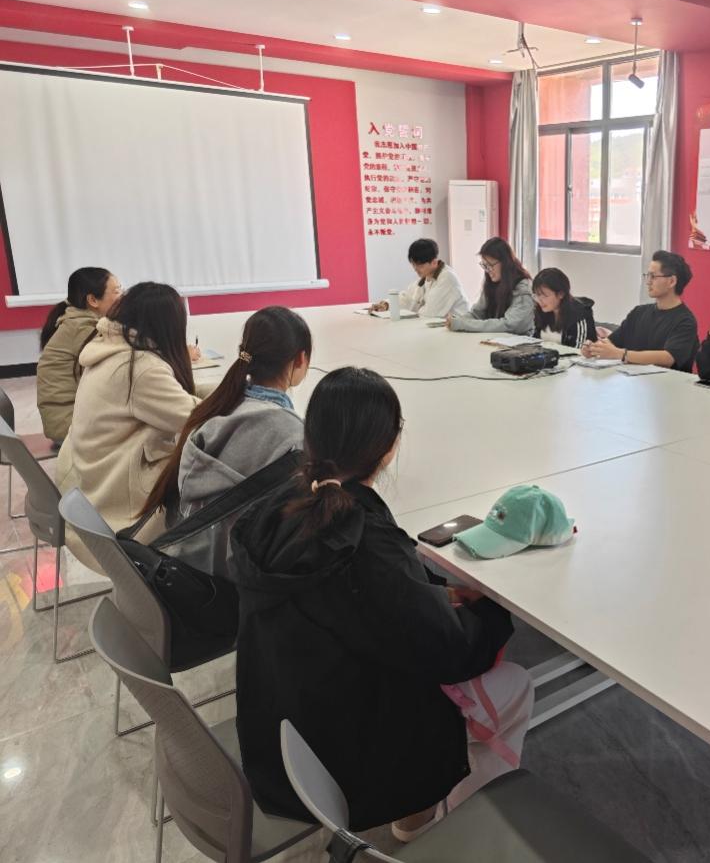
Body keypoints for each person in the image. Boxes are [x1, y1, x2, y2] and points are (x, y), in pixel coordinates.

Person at [231, 367, 533, 839]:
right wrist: (493, 609)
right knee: (516, 683)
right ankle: (438, 826)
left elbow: (365, 603)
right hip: (359, 753)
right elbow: (452, 652)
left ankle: (423, 814)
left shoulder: (275, 510)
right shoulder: (364, 541)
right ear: (389, 447)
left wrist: (430, 593)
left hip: (283, 726)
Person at [138, 307, 312, 572]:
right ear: (300, 359)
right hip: (241, 576)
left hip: (193, 562)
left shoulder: (215, 409)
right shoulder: (293, 436)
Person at [56, 282, 210, 562]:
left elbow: (175, 397)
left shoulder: (110, 347)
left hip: (94, 485)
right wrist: (240, 396)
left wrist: (224, 390)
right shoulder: (139, 368)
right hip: (123, 507)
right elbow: (197, 418)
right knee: (219, 478)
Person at [36, 267, 123, 444]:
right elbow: (118, 369)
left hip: (67, 421)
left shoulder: (77, 322)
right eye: (116, 291)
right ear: (93, 300)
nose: (122, 297)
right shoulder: (83, 328)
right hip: (69, 428)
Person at [581, 250, 699, 372]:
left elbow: (668, 358)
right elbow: (612, 342)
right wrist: (594, 348)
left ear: (672, 281)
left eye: (653, 276)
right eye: (647, 276)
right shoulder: (639, 312)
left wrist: (621, 354)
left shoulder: (686, 321)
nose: (648, 282)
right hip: (632, 379)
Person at [446, 237, 533, 335]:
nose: (488, 270)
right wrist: (458, 320)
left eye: (490, 265)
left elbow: (509, 325)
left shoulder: (523, 287)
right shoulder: (492, 283)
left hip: (519, 341)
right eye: (485, 266)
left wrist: (463, 324)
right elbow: (476, 314)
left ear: (505, 262)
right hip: (495, 339)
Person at [373, 238, 469, 319]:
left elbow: (430, 313)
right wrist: (387, 305)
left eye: (420, 265)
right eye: (413, 264)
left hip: (456, 330)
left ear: (434, 262)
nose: (415, 269)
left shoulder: (447, 278)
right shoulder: (426, 277)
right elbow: (408, 299)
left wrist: (410, 313)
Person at [530, 267, 597, 349]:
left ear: (561, 294)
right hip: (547, 356)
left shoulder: (580, 314)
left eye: (545, 296)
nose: (539, 300)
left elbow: (579, 350)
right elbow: (535, 341)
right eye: (537, 295)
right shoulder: (542, 311)